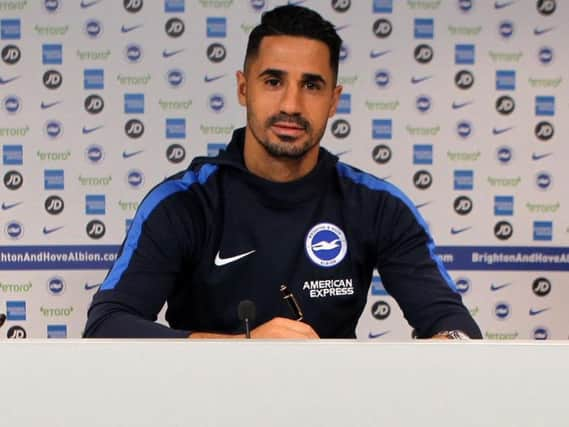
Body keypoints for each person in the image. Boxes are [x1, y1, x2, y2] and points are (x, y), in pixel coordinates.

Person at [84, 5, 481, 340]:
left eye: (311, 85)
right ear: (244, 89)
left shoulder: (377, 206)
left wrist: (451, 342)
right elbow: (107, 325)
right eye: (273, 81)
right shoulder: (184, 203)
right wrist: (243, 347)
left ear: (333, 100)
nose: (291, 104)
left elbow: (452, 324)